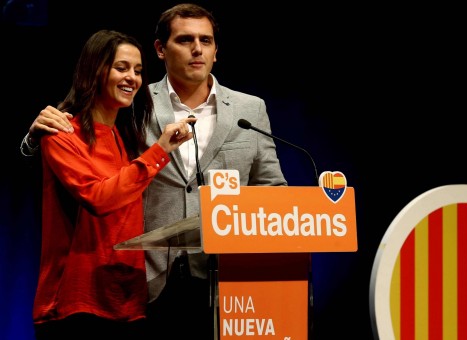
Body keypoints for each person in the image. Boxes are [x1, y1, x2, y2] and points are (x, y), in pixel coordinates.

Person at [21, 3, 288, 339]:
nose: (197, 49)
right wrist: (32, 139)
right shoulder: (134, 104)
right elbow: (82, 162)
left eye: (206, 41)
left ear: (216, 51)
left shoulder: (251, 109)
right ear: (162, 49)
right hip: (145, 284)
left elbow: (272, 189)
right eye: (185, 39)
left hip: (225, 283)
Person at [31, 29, 195, 340]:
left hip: (128, 302)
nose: (132, 78)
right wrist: (159, 151)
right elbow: (99, 198)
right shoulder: (62, 132)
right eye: (121, 67)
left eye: (138, 70)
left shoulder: (126, 138)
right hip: (77, 304)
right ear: (95, 69)